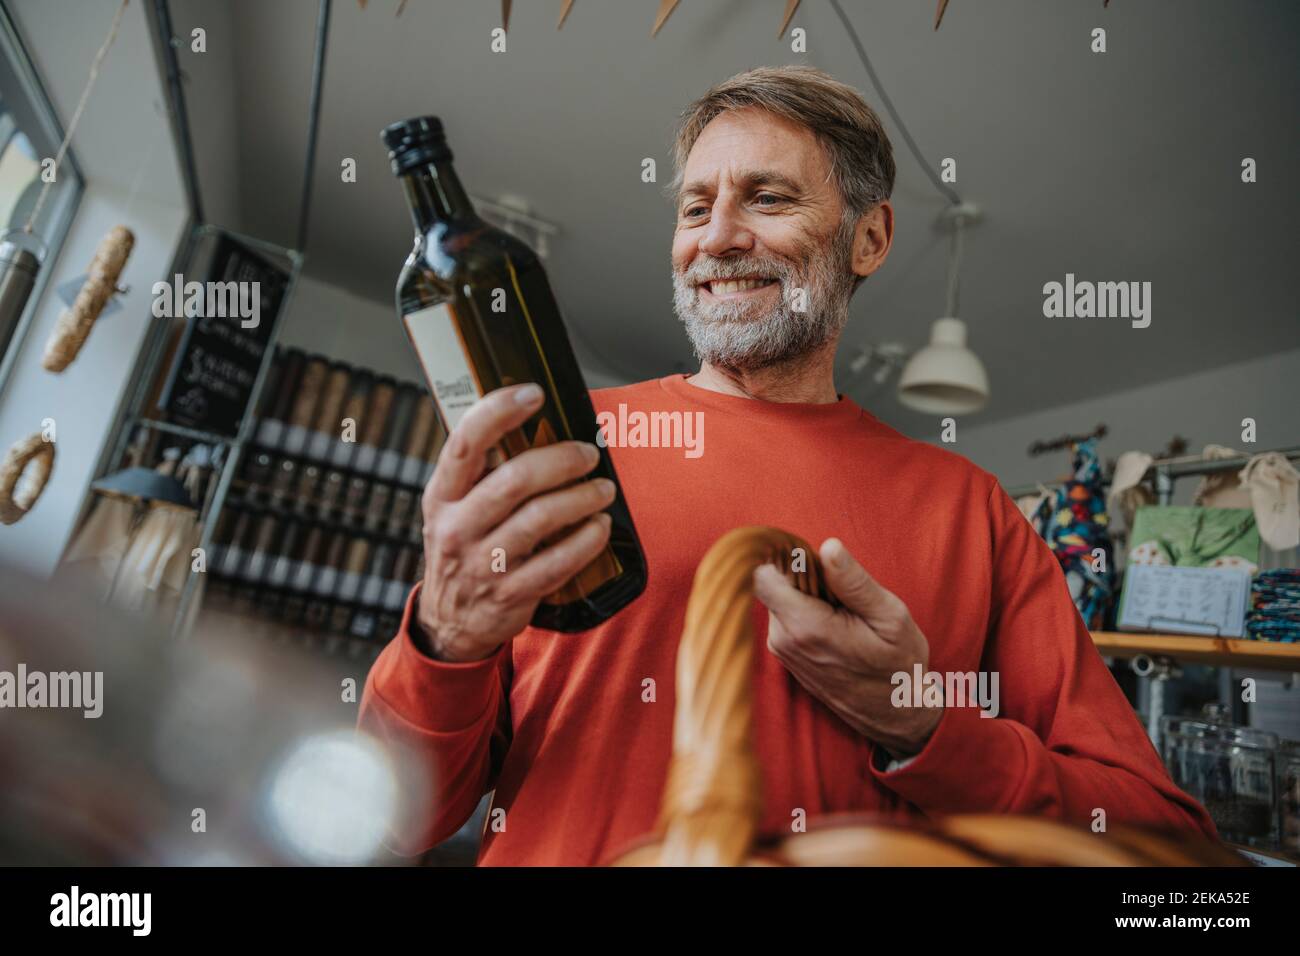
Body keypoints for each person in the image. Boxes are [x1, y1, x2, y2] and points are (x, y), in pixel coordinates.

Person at [359, 65, 1216, 866]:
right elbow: (392, 819)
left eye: (766, 198)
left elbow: (1155, 837)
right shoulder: (563, 448)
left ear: (869, 238)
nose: (719, 239)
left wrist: (920, 724)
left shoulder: (971, 508)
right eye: (695, 210)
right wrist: (445, 636)